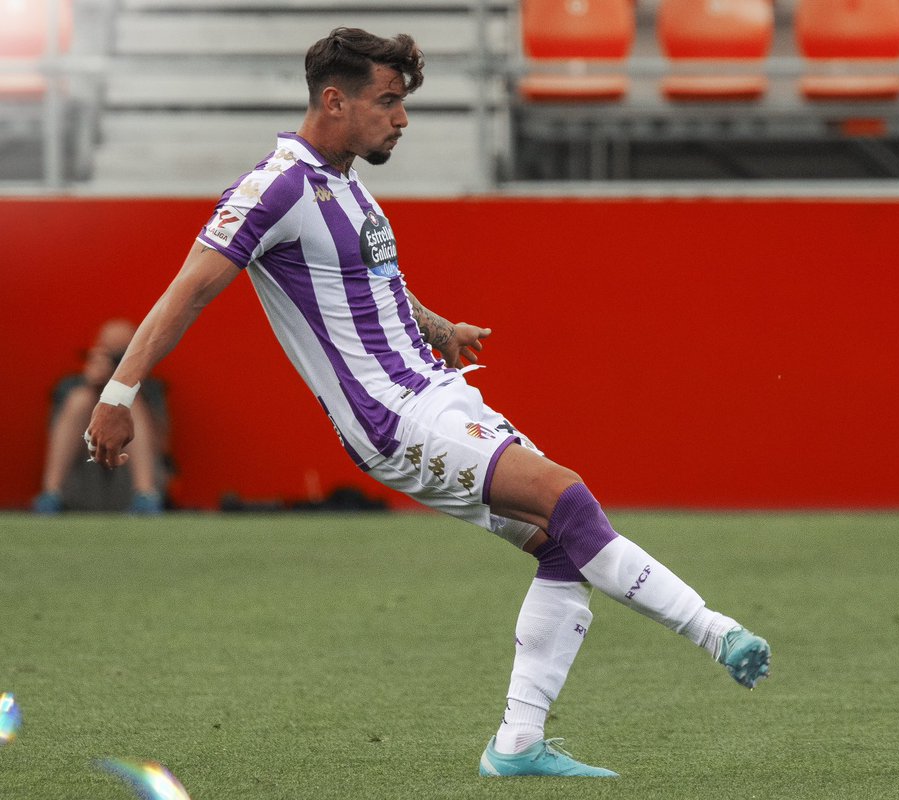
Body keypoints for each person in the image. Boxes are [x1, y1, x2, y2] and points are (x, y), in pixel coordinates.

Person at [85, 27, 770, 778]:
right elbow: (189, 292)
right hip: (394, 417)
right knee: (567, 497)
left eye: (402, 103)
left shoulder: (343, 178)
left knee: (560, 544)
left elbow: (370, 283)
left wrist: (437, 326)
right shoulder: (276, 185)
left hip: (434, 393)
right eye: (388, 102)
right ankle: (716, 632)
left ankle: (517, 746)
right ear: (335, 100)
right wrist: (120, 393)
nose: (401, 119)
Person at [35, 318, 167, 514]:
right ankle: (50, 496)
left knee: (130, 402)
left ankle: (145, 496)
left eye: (121, 355)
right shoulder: (71, 386)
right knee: (80, 400)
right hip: (83, 482)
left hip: (128, 484)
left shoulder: (151, 389)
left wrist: (125, 389)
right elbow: (53, 439)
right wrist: (94, 385)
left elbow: (162, 447)